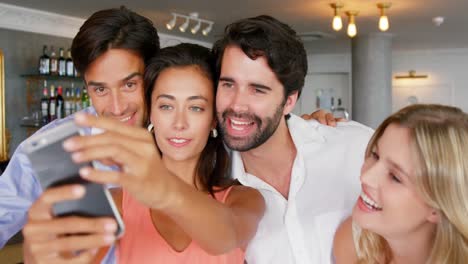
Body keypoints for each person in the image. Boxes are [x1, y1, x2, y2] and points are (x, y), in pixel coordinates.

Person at [24, 43, 266, 263]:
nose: (179, 123)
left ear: (213, 118)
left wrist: (165, 189)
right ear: (151, 113)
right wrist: (39, 252)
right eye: (166, 106)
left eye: (195, 107)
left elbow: (224, 237)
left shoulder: (243, 198)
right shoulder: (118, 202)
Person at [211, 15, 374, 263]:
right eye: (228, 85)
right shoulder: (210, 183)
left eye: (257, 89)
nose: (237, 105)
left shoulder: (356, 149)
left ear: (289, 101)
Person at [0, 4, 159, 255]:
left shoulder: (181, 137)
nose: (116, 108)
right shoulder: (52, 149)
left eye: (129, 84)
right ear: (86, 87)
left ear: (152, 75)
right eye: (100, 89)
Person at [333, 104, 468, 264]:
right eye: (375, 155)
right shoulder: (354, 244)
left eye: (395, 177)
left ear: (437, 210)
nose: (366, 177)